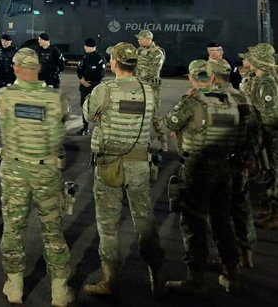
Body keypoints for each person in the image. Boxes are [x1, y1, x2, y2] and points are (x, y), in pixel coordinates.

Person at [82, 42, 164, 298]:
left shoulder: (104, 90)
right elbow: (154, 117)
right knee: (145, 220)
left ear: (114, 63)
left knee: (108, 224)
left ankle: (111, 279)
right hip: (140, 164)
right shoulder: (148, 90)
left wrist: (99, 115)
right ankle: (157, 276)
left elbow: (87, 115)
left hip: (110, 165)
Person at [0, 48, 73, 306]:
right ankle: (59, 292)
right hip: (47, 172)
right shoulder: (56, 97)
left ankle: (15, 286)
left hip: (14, 172)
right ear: (38, 68)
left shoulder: (4, 96)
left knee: (14, 229)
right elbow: (64, 120)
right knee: (52, 230)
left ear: (15, 68)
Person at [165, 60, 243, 294]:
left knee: (193, 223)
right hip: (224, 168)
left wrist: (185, 100)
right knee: (222, 221)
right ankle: (231, 272)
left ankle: (195, 278)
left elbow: (171, 121)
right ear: (212, 78)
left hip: (197, 169)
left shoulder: (193, 101)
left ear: (191, 78)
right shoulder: (231, 101)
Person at [208, 58, 261, 268]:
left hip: (218, 165)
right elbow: (255, 132)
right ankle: (247, 253)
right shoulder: (243, 98)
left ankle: (226, 258)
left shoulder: (211, 99)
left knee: (220, 212)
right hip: (240, 163)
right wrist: (249, 154)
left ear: (212, 76)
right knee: (241, 207)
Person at [242, 43, 278, 229]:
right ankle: (270, 208)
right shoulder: (258, 79)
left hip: (270, 136)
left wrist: (260, 139)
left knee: (274, 172)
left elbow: (269, 116)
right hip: (264, 135)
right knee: (269, 172)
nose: (245, 60)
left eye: (250, 58)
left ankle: (276, 214)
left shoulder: (266, 83)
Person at [136, 29, 167, 151]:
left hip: (151, 88)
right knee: (140, 115)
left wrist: (138, 77)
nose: (138, 40)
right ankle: (144, 141)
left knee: (155, 116)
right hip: (139, 87)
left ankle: (163, 142)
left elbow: (154, 70)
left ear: (148, 39)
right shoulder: (138, 51)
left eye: (140, 38)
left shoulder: (157, 52)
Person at [76, 38, 105, 136]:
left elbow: (100, 74)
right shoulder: (84, 57)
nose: (84, 47)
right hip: (84, 86)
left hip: (95, 87)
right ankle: (85, 127)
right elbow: (79, 69)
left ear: (90, 46)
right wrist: (82, 81)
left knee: (97, 107)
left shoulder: (100, 59)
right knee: (84, 106)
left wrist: (92, 84)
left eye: (85, 46)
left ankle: (100, 128)